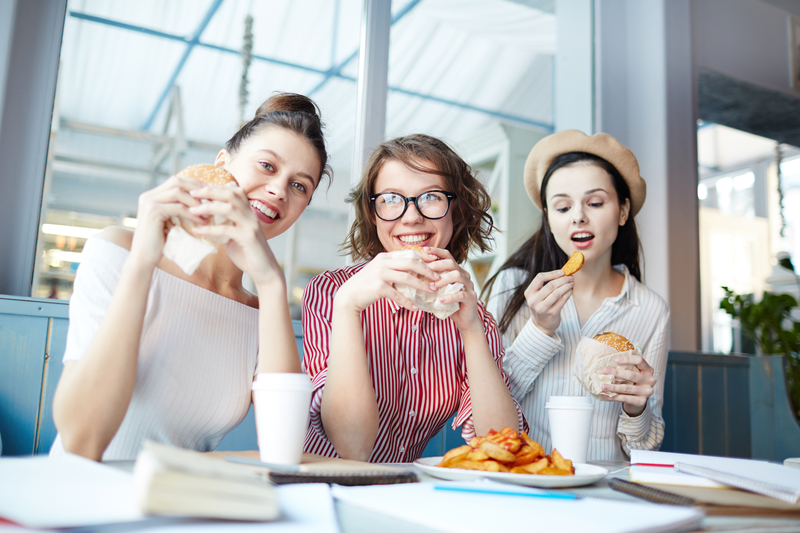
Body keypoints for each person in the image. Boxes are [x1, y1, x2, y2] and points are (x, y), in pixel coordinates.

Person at [50, 93, 330, 461]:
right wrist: (143, 264)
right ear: (221, 165)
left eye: (299, 186)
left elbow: (286, 450)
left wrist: (272, 284)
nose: (279, 189)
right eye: (266, 165)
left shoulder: (264, 310)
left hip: (184, 506)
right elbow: (81, 440)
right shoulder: (119, 251)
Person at [302, 134, 526, 463]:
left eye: (431, 197)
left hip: (405, 493)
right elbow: (353, 448)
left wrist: (472, 329)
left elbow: (503, 446)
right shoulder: (331, 293)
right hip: (322, 487)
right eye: (391, 199)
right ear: (373, 213)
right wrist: (348, 309)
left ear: (456, 210)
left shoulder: (474, 318)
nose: (411, 217)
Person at [483, 130, 669, 461]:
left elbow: (642, 448)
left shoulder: (651, 310)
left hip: (607, 488)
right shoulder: (513, 288)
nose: (578, 216)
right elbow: (486, 412)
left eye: (595, 203)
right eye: (562, 206)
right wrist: (540, 328)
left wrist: (636, 407)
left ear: (623, 211)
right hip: (525, 477)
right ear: (549, 219)